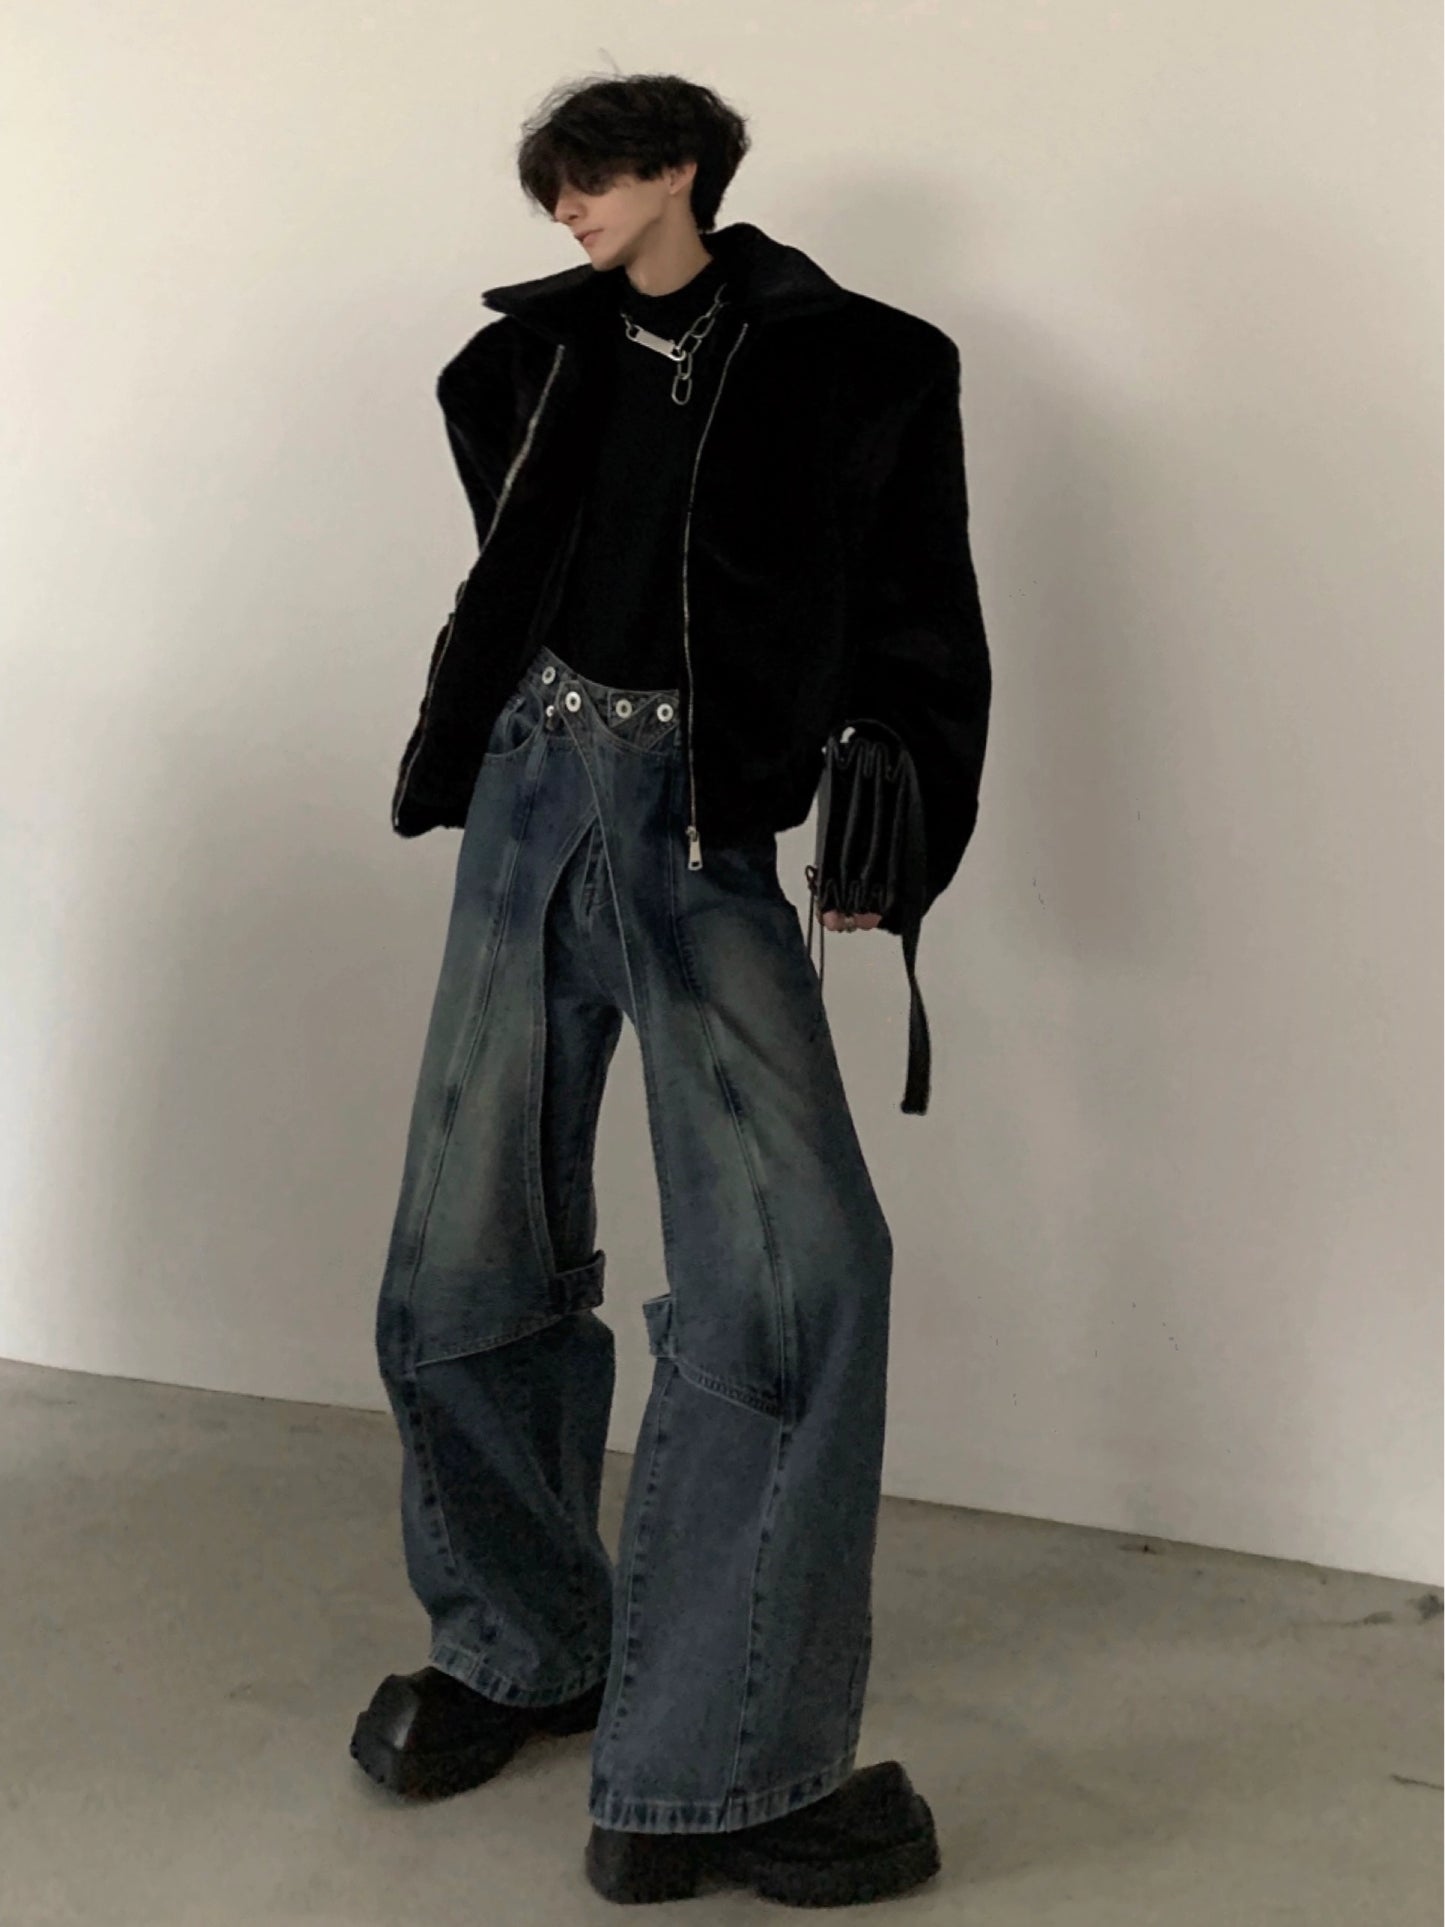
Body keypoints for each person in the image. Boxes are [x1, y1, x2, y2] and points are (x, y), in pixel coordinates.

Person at [351, 71, 991, 1908]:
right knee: (461, 1251)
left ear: (684, 169)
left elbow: (917, 612)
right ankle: (520, 1642)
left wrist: (886, 806)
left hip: (701, 825)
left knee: (796, 1274)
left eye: (597, 175)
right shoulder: (516, 366)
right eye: (551, 184)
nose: (566, 207)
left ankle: (717, 1764)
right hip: (528, 790)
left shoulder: (868, 364)